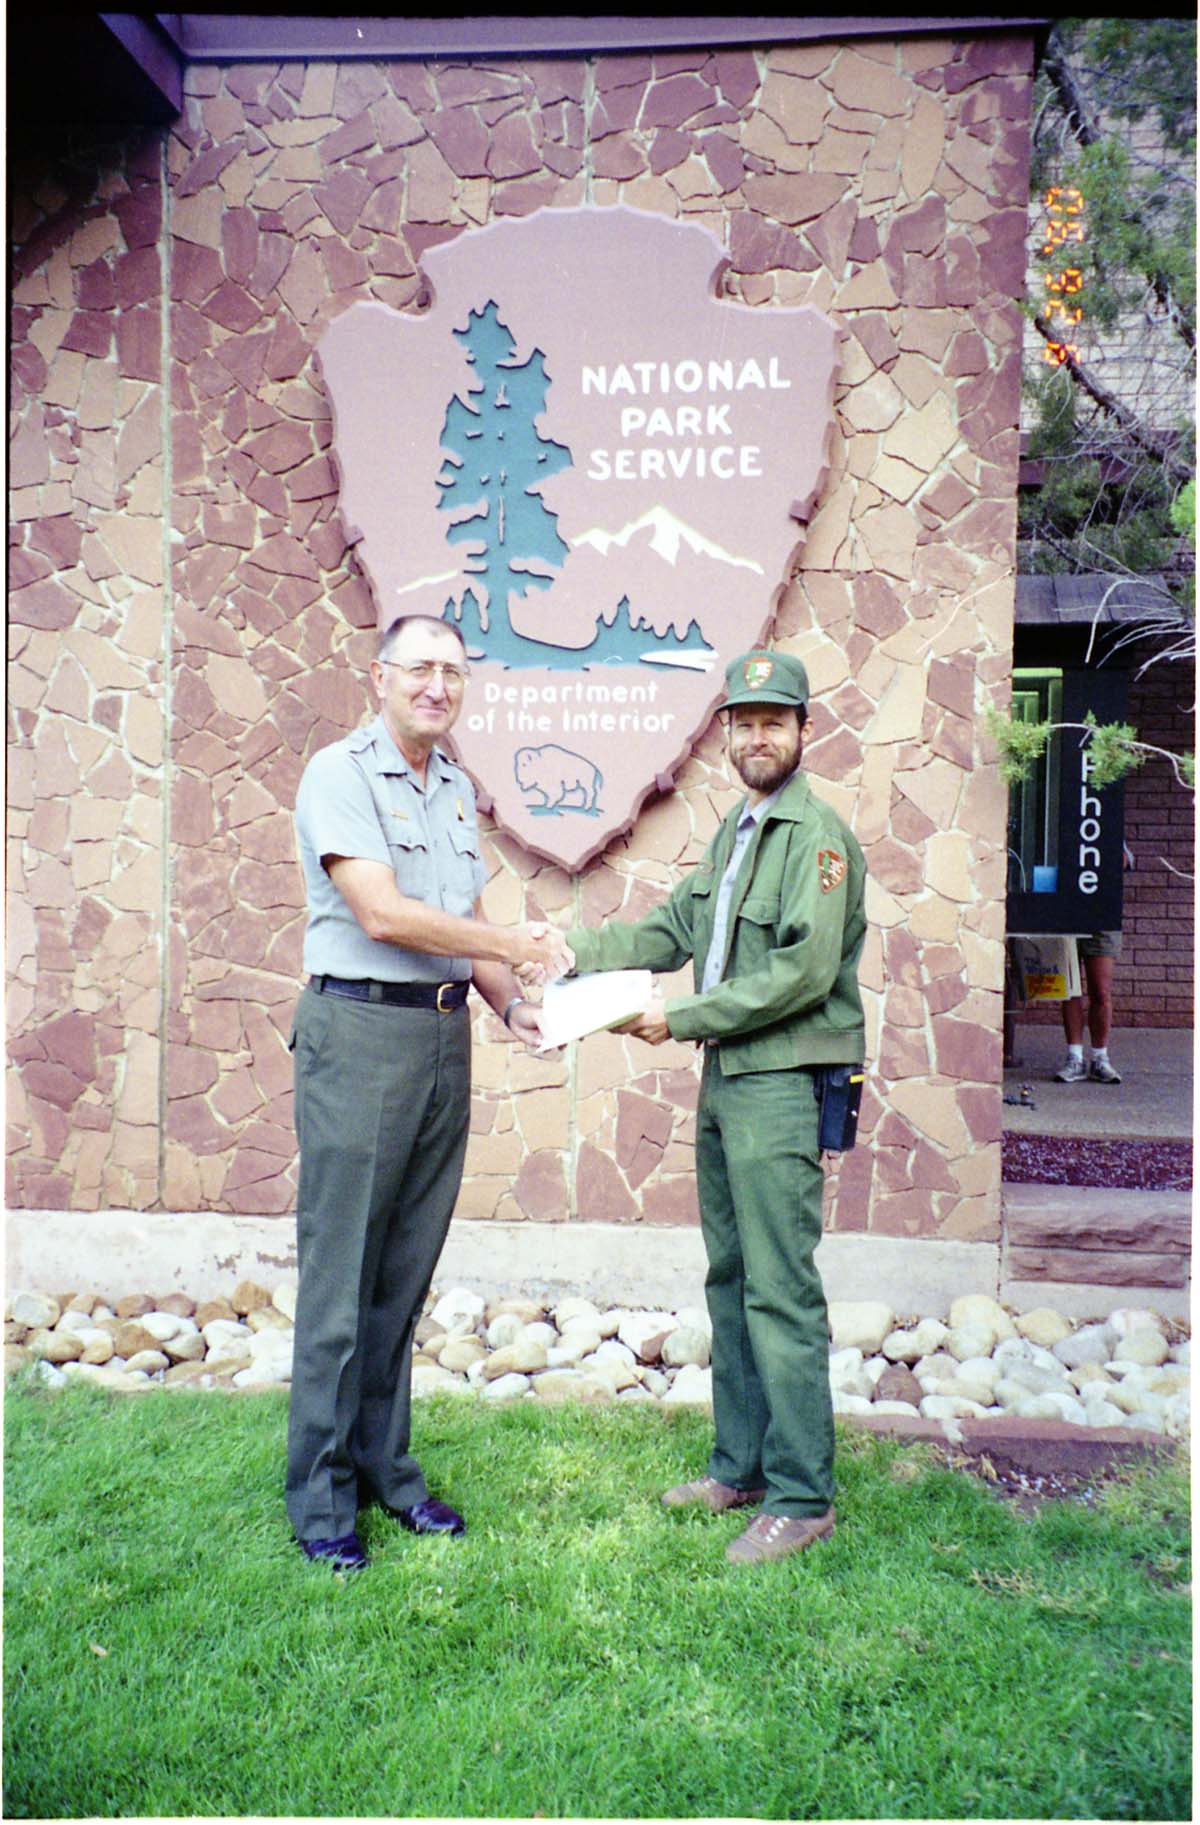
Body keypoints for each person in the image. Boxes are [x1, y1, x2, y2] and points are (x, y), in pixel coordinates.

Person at [561, 648, 867, 1566]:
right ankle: (740, 1465)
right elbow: (667, 930)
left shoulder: (816, 839)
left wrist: (680, 1014)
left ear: (805, 732)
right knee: (730, 1276)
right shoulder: (737, 834)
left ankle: (803, 1493)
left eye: (776, 719)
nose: (758, 734)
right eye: (745, 720)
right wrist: (560, 950)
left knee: (780, 1285)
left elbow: (803, 973)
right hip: (730, 1079)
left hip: (779, 1081)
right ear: (728, 734)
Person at [287, 613, 570, 1571]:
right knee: (342, 1279)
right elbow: (380, 911)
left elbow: (466, 916)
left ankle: (385, 1467)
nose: (438, 685)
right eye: (421, 668)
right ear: (381, 677)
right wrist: (516, 948)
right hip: (360, 1033)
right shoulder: (340, 772)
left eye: (454, 670)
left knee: (402, 1276)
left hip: (442, 1036)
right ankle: (322, 1501)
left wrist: (507, 1005)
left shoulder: (452, 784)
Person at [1055, 931, 1122, 1083]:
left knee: (1101, 992)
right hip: (1066, 919)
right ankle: (1075, 1058)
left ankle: (1100, 1058)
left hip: (1102, 921)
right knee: (1070, 989)